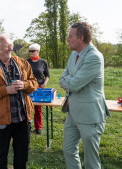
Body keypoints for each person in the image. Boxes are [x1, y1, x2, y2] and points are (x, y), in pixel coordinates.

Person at [0, 33, 38, 169]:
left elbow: (34, 83)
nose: (11, 48)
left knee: (22, 157)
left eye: (11, 45)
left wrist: (25, 85)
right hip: (1, 120)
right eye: (7, 46)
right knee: (1, 156)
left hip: (23, 119)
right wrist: (5, 90)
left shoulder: (22, 63)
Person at [60, 22, 111, 169]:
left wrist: (68, 80)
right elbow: (63, 78)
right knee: (68, 150)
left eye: (70, 36)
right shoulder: (73, 54)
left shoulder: (95, 57)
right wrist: (68, 80)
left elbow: (73, 84)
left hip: (90, 116)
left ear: (80, 38)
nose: (67, 39)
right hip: (72, 113)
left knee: (91, 161)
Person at [27, 43, 50, 134]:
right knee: (28, 107)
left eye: (33, 51)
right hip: (28, 87)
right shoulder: (26, 61)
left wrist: (44, 83)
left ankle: (38, 127)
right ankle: (27, 125)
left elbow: (47, 75)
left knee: (38, 108)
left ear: (38, 51)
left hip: (40, 87)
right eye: (30, 51)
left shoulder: (43, 62)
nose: (31, 52)